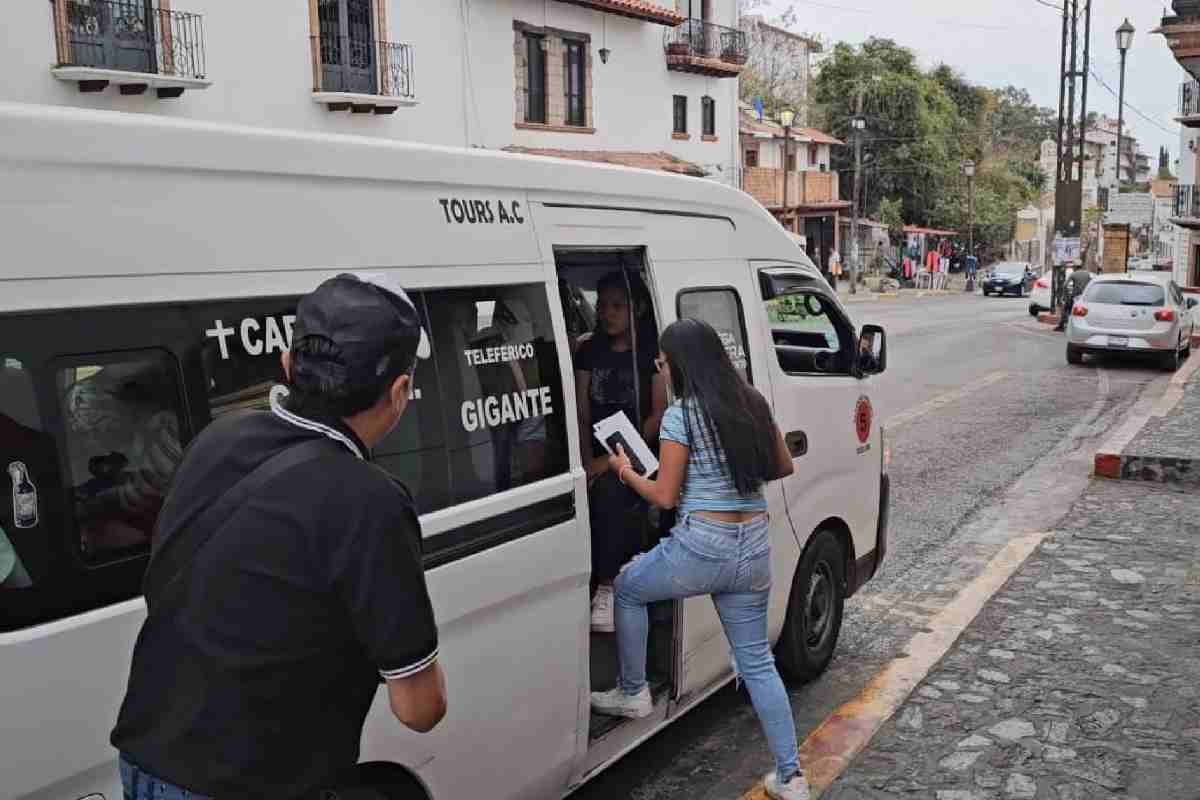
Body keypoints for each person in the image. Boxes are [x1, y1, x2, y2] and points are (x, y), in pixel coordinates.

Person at [111, 273, 447, 799]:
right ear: (401, 392)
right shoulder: (370, 499)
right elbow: (419, 709)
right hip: (246, 783)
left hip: (147, 759)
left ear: (288, 365)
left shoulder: (216, 439)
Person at [590, 318, 810, 800]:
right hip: (752, 548)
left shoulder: (679, 416)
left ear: (683, 365)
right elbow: (782, 464)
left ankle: (633, 691)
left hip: (702, 546)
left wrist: (625, 471)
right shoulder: (750, 403)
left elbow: (664, 497)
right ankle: (791, 777)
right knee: (757, 663)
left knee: (627, 588)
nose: (659, 368)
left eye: (664, 362)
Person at [575, 271, 668, 632]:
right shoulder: (589, 351)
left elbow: (658, 414)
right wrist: (585, 462)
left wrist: (614, 458)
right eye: (603, 306)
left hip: (638, 454)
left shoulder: (649, 355)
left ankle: (608, 587)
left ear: (638, 308)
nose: (607, 313)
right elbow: (583, 413)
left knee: (612, 494)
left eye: (617, 306)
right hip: (597, 451)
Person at [1054, 267, 1093, 331]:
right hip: (1084, 296)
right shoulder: (1087, 274)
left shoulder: (1074, 274)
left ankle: (1061, 325)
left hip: (1075, 295)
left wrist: (1065, 295)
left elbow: (1065, 285)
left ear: (1075, 268)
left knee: (1066, 309)